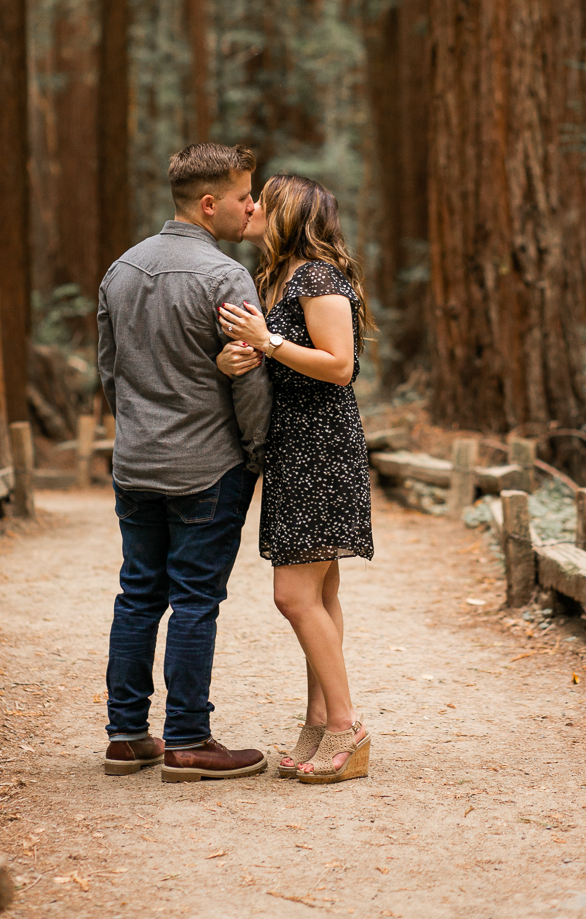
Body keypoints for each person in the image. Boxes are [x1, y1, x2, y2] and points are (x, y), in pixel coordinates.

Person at [98, 142, 273, 783]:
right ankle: (189, 739)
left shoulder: (121, 270)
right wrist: (255, 454)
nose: (251, 207)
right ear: (208, 204)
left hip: (136, 464)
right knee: (197, 599)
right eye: (243, 196)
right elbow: (249, 382)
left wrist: (137, 433)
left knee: (138, 595)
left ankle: (125, 736)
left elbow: (110, 372)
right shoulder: (225, 277)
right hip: (207, 466)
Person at [216, 173, 373, 784]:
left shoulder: (316, 276)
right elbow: (277, 358)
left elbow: (340, 367)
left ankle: (346, 726)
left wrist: (268, 340)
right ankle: (318, 720)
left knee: (293, 595)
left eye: (262, 200)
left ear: (287, 214)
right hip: (293, 446)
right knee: (322, 594)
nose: (250, 207)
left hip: (321, 447)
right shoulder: (277, 277)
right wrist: (242, 356)